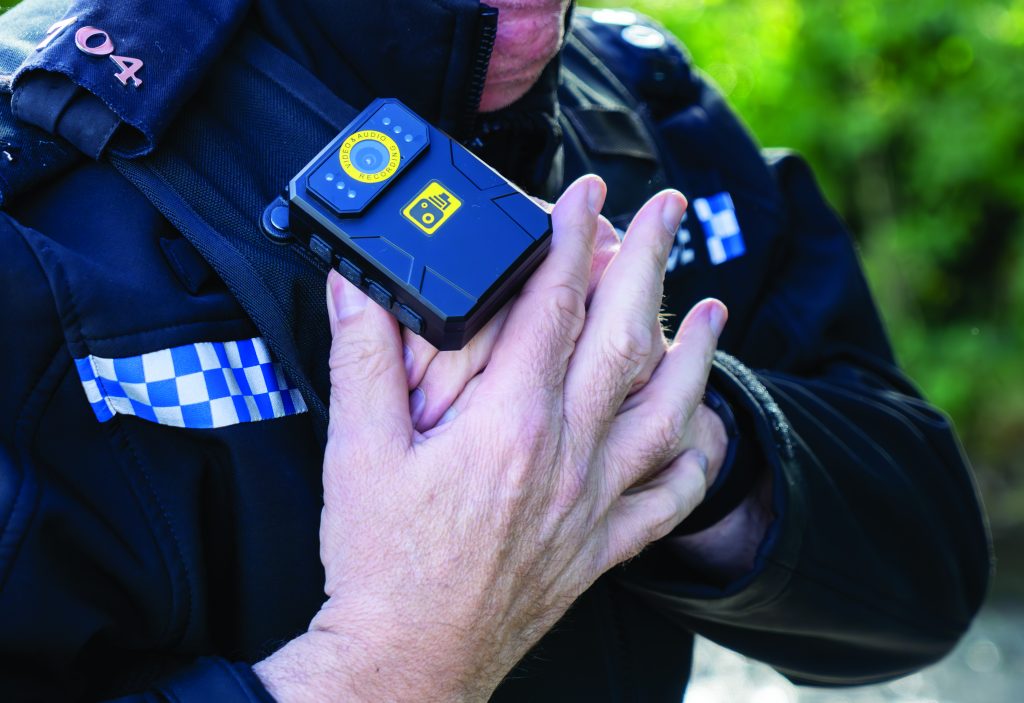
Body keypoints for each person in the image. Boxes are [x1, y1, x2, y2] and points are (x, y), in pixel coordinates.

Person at [0, 0, 991, 701]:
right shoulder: (32, 190)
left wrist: (683, 440)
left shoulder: (650, 102)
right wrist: (384, 662)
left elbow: (926, 591)